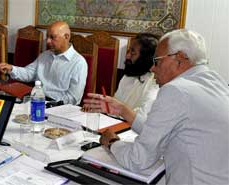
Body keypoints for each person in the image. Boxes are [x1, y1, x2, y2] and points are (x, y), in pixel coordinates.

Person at [97, 29, 229, 184]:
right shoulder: (216, 82)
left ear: (179, 58)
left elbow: (137, 161)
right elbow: (167, 131)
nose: (153, 69)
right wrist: (123, 111)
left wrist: (112, 142)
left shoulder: (176, 89)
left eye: (157, 61)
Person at [0, 21, 87, 105]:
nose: (48, 41)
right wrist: (11, 69)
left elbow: (73, 98)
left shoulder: (78, 63)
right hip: (35, 101)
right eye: (47, 37)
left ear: (66, 37)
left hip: (59, 108)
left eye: (52, 37)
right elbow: (29, 73)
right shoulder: (45, 56)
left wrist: (47, 102)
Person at [83, 33, 159, 117]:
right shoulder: (129, 75)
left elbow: (142, 115)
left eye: (133, 52)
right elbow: (115, 103)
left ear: (146, 58)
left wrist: (117, 111)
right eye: (128, 51)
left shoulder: (155, 82)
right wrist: (99, 106)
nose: (127, 56)